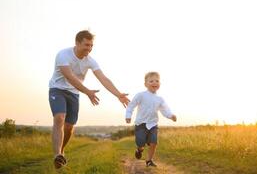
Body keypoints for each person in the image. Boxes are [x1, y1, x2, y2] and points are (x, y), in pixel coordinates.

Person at [48, 30, 130, 169]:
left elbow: (103, 78)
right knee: (59, 118)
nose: (89, 48)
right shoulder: (63, 55)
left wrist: (118, 94)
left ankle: (62, 151)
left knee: (69, 127)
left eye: (91, 45)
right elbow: (69, 77)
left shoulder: (90, 61)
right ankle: (57, 155)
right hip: (58, 89)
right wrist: (87, 92)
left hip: (74, 93)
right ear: (77, 43)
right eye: (86, 45)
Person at [125, 71, 177, 167]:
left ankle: (149, 160)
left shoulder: (160, 99)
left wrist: (171, 115)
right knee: (140, 143)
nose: (154, 83)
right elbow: (131, 105)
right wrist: (128, 115)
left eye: (157, 81)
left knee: (154, 142)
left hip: (153, 124)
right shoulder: (141, 95)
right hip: (141, 124)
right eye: (151, 81)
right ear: (145, 84)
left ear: (160, 84)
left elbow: (165, 109)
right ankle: (139, 149)